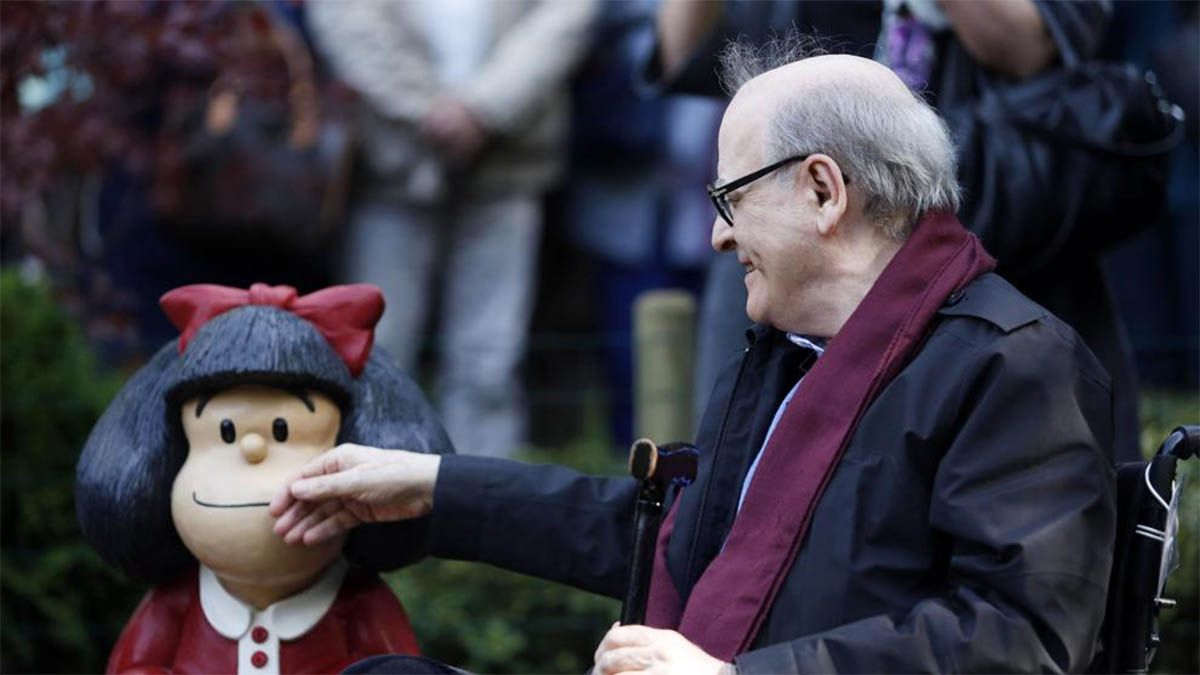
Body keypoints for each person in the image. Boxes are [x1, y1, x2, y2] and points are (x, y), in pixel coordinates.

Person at [271, 49, 1116, 674]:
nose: (717, 235)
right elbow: (669, 540)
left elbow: (1021, 639)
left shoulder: (1017, 365)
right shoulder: (790, 355)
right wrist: (431, 485)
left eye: (730, 198)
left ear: (823, 190)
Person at [653, 1, 1146, 465]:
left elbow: (1025, 45)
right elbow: (686, 55)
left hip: (981, 259)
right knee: (743, 489)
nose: (718, 233)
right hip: (782, 271)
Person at [76, 283, 454, 673]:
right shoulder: (179, 599)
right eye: (225, 432)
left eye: (282, 430)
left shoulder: (359, 600)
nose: (253, 450)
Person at [306, 1, 596, 459]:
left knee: (490, 360)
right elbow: (346, 19)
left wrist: (484, 108)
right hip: (391, 166)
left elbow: (565, 17)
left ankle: (485, 501)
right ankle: (367, 492)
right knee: (378, 349)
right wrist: (428, 108)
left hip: (508, 162)